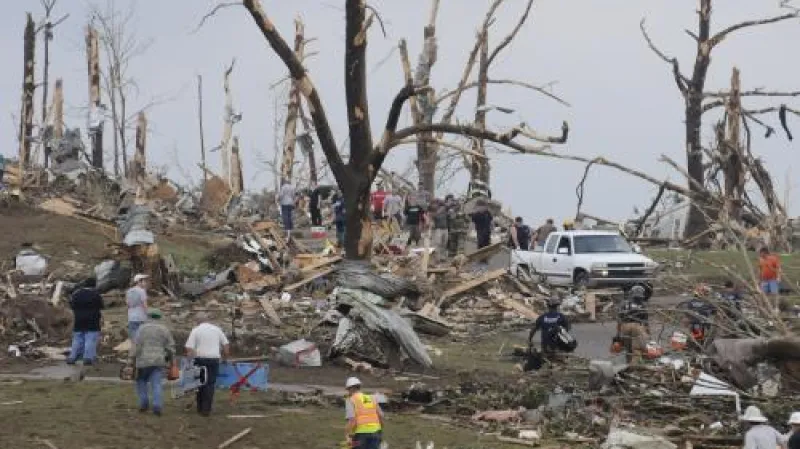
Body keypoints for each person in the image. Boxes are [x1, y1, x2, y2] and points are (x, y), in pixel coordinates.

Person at [134, 308, 175, 416]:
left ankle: (143, 404)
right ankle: (157, 405)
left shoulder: (141, 329)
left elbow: (137, 346)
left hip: (143, 360)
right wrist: (172, 362)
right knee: (156, 384)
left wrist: (131, 359)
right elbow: (170, 347)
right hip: (158, 360)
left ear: (148, 316)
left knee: (141, 381)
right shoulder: (164, 329)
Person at [185, 320, 230, 416]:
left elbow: (189, 348)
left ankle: (200, 407)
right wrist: (225, 359)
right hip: (214, 359)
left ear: (199, 322)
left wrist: (190, 361)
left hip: (200, 359)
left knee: (200, 383)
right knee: (210, 384)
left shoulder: (196, 330)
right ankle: (206, 409)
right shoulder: (217, 330)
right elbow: (226, 345)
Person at [66, 278, 105, 366]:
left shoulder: (76, 294)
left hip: (79, 319)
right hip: (93, 319)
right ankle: (88, 357)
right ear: (94, 285)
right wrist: (102, 319)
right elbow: (101, 307)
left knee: (77, 338)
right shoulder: (96, 295)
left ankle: (72, 357)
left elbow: (71, 306)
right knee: (90, 339)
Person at [345, 377, 384, 449]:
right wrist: (380, 431)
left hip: (360, 435)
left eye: (348, 389)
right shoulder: (372, 398)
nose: (348, 391)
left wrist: (347, 435)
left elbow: (352, 419)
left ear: (351, 388)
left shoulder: (351, 400)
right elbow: (381, 415)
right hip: (376, 433)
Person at [616, 285, 650, 364]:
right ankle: (633, 367)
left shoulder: (624, 304)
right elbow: (645, 322)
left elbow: (619, 319)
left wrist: (618, 334)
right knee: (637, 350)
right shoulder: (643, 305)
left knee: (628, 349)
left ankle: (628, 365)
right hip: (637, 327)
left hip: (625, 326)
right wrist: (648, 334)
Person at [126, 274, 149, 341]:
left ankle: (135, 350)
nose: (145, 283)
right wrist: (147, 314)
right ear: (139, 282)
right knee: (142, 338)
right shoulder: (142, 291)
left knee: (133, 338)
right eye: (144, 281)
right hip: (141, 317)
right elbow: (145, 305)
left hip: (131, 317)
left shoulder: (129, 291)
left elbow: (127, 304)